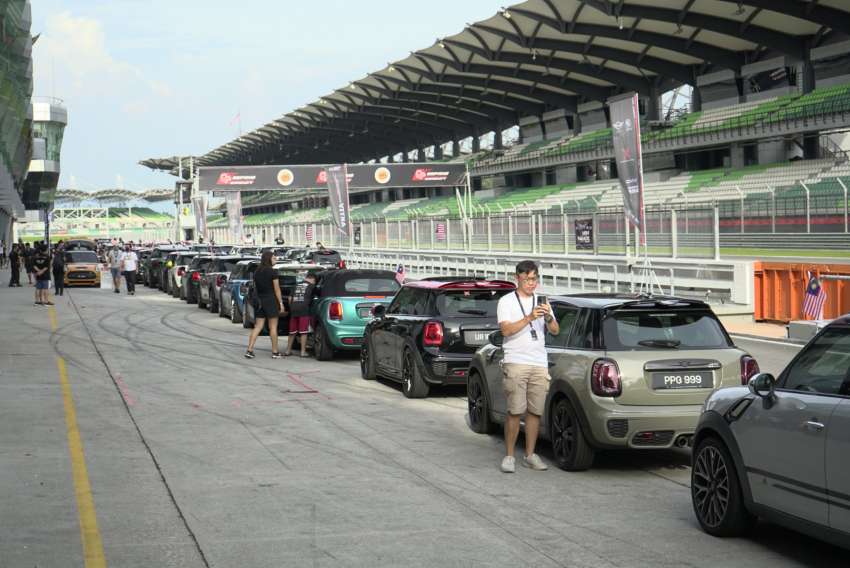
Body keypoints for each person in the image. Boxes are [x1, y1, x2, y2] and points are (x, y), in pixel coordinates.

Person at [496, 260, 559, 473]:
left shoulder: (542, 301)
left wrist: (549, 316)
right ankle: (509, 456)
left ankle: (530, 455)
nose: (532, 283)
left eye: (535, 279)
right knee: (515, 411)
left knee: (535, 412)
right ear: (518, 278)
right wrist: (529, 317)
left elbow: (556, 330)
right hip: (516, 361)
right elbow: (506, 330)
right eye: (528, 279)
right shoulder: (506, 302)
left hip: (539, 362)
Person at [245, 251, 284, 359]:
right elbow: (277, 289)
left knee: (258, 327)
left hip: (260, 301)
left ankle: (249, 350)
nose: (275, 260)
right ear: (269, 259)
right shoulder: (272, 272)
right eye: (274, 258)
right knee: (273, 327)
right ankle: (275, 352)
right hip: (271, 301)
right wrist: (281, 303)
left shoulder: (257, 271)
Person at [285, 271, 317, 357]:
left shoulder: (296, 285)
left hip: (294, 310)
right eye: (314, 281)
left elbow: (289, 298)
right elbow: (314, 299)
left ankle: (288, 351)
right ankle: (303, 352)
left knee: (292, 332)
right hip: (304, 310)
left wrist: (292, 308)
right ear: (312, 279)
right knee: (303, 332)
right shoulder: (312, 286)